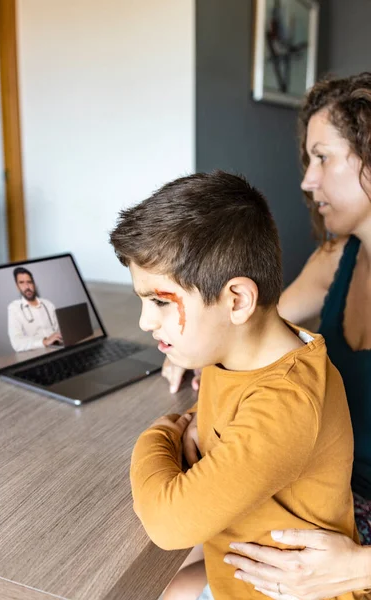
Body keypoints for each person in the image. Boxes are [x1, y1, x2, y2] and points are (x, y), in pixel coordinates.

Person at [163, 73, 371, 599]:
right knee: (182, 557)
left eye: (323, 157)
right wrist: (190, 344)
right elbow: (255, 324)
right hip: (325, 493)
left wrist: (359, 567)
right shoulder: (335, 261)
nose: (307, 180)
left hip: (354, 547)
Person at [110, 171, 362, 600]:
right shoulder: (240, 357)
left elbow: (169, 524)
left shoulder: (288, 402)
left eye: (158, 302)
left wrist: (161, 432)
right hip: (243, 574)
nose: (145, 322)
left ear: (237, 300)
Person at [8, 267, 62, 351]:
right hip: (37, 353)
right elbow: (16, 343)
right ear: (17, 286)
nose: (27, 287)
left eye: (29, 282)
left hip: (57, 348)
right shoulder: (14, 308)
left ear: (34, 284)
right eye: (21, 283)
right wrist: (44, 342)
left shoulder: (48, 304)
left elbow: (59, 331)